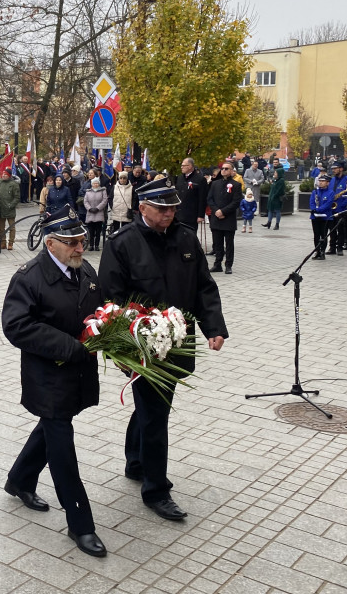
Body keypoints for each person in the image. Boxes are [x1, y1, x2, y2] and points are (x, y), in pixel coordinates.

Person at [98, 178, 228, 522]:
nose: (170, 213)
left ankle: (135, 461)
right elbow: (111, 300)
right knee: (156, 413)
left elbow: (203, 286)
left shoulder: (185, 237)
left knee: (155, 406)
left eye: (173, 207)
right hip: (141, 346)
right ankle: (156, 489)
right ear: (142, 208)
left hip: (178, 342)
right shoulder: (122, 244)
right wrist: (129, 341)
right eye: (162, 208)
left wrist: (214, 327)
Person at [0, 206, 106, 557]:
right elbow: (16, 325)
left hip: (77, 373)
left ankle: (19, 480)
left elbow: (99, 310)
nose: (80, 248)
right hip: (48, 376)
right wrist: (70, 346)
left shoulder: (84, 270)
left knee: (52, 428)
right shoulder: (29, 277)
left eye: (82, 240)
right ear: (50, 243)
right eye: (73, 242)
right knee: (62, 446)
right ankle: (81, 524)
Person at [206, 162, 242, 275]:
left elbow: (236, 201)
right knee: (217, 243)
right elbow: (210, 199)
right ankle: (217, 264)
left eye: (227, 169)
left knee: (229, 243)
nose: (224, 170)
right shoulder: (215, 184)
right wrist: (216, 210)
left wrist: (223, 211)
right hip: (216, 217)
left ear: (232, 171)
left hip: (228, 218)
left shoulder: (236, 185)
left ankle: (228, 265)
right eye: (222, 168)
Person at [174, 158, 207, 232]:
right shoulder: (180, 178)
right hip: (179, 214)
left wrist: (200, 215)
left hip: (191, 215)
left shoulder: (200, 179)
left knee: (190, 237)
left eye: (183, 165)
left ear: (189, 166)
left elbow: (202, 198)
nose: (181, 167)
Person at [309, 173, 335, 259]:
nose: (321, 183)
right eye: (320, 181)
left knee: (323, 235)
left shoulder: (330, 192)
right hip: (315, 216)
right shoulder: (315, 191)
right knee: (316, 235)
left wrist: (319, 210)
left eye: (323, 181)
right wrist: (314, 209)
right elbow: (312, 201)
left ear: (327, 183)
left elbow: (328, 204)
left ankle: (323, 252)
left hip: (325, 216)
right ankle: (317, 251)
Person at [0, 168, 20, 251]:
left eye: (5, 174)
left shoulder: (14, 184)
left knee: (11, 227)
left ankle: (11, 243)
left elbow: (17, 197)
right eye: (3, 174)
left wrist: (11, 205)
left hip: (10, 209)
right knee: (1, 228)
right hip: (1, 209)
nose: (3, 176)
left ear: (9, 175)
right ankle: (3, 243)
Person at [82, 177, 109, 251]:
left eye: (97, 183)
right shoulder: (88, 192)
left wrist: (98, 208)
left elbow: (104, 200)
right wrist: (90, 208)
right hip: (90, 213)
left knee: (98, 231)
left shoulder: (103, 191)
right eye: (94, 183)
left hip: (99, 213)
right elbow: (85, 201)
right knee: (91, 231)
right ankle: (91, 245)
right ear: (92, 184)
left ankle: (96, 245)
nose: (95, 184)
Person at [262, 165, 286, 230]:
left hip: (277, 199)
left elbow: (279, 190)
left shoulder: (281, 181)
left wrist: (274, 196)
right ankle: (269, 222)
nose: (274, 174)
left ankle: (277, 224)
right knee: (270, 210)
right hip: (271, 198)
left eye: (276, 173)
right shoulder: (275, 180)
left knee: (277, 211)